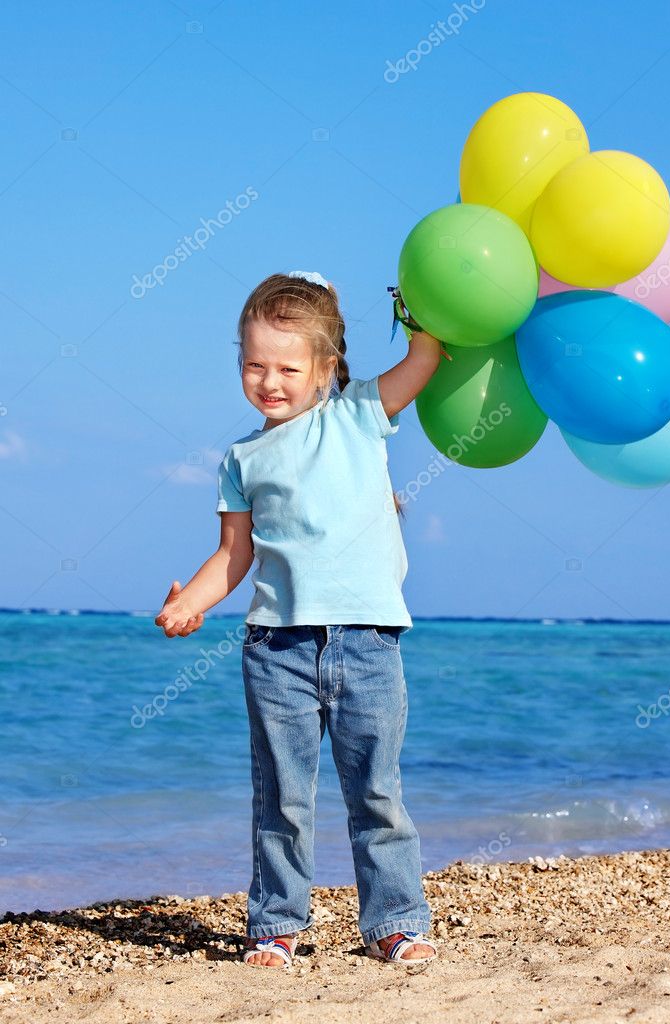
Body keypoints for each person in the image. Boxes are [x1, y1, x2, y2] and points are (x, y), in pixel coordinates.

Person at [154, 271, 450, 967]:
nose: (269, 381)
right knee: (281, 798)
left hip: (368, 640)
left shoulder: (357, 414)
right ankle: (276, 926)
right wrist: (189, 602)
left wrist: (420, 313)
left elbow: (425, 360)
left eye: (287, 367)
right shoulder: (242, 459)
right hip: (276, 646)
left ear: (325, 369)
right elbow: (234, 554)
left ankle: (395, 923)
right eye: (253, 365)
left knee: (376, 791)